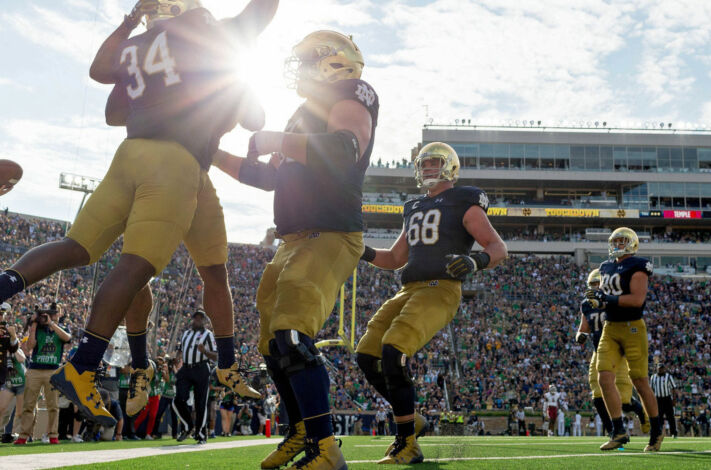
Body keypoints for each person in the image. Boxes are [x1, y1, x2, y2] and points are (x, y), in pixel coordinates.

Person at [0, 0, 276, 428]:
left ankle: (4, 286)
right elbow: (259, 30)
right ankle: (84, 363)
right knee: (137, 265)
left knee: (78, 247)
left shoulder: (139, 43)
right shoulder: (201, 32)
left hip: (132, 152)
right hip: (176, 162)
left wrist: (154, 81)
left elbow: (109, 101)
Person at [212, 30, 379, 470]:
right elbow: (267, 177)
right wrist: (210, 153)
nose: (298, 69)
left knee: (292, 334)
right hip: (293, 238)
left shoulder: (350, 95)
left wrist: (274, 139)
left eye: (306, 60)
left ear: (334, 63)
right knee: (273, 343)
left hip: (330, 231)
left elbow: (345, 148)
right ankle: (302, 430)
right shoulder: (301, 116)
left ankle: (326, 449)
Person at [356, 142, 507, 464]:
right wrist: (360, 250)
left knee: (393, 351)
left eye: (434, 162)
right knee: (367, 355)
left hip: (440, 288)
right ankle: (413, 418)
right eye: (423, 163)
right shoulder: (412, 207)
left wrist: (476, 261)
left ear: (450, 166)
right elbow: (394, 258)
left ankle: (407, 443)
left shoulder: (463, 199)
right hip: (408, 289)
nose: (426, 168)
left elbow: (497, 247)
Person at [586, 227, 663, 451]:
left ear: (631, 243)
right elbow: (603, 300)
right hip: (610, 327)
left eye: (622, 241)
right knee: (604, 378)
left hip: (632, 328)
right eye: (615, 241)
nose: (617, 244)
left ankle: (656, 430)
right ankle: (618, 430)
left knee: (640, 381)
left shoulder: (638, 265)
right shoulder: (605, 267)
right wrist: (596, 300)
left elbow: (637, 300)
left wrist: (606, 297)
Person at [577, 269, 649, 437]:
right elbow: (583, 328)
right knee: (597, 394)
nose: (595, 288)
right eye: (592, 285)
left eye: (598, 284)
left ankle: (641, 412)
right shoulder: (586, 305)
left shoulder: (614, 301)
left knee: (623, 400)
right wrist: (580, 335)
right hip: (598, 351)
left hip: (618, 351)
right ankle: (614, 431)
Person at [15, 304, 71, 445]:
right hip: (35, 369)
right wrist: (34, 324)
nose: (50, 315)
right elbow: (29, 346)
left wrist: (51, 323)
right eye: (48, 313)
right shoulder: (39, 328)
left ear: (59, 314)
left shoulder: (62, 329)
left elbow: (67, 338)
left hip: (52, 370)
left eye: (54, 313)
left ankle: (53, 435)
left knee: (53, 405)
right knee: (29, 404)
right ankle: (24, 435)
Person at [172, 309, 216, 444]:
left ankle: (201, 434)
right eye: (195, 318)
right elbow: (180, 349)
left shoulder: (208, 335)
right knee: (177, 400)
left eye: (200, 318)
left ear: (204, 321)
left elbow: (216, 355)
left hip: (201, 368)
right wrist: (177, 358)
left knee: (200, 403)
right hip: (186, 368)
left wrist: (205, 351)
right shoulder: (186, 334)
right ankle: (188, 426)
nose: (197, 321)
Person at [0, 305, 23, 443]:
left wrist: (13, 336)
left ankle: (1, 432)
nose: (1, 318)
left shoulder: (6, 330)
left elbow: (14, 348)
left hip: (2, 372)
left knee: (2, 406)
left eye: (2, 315)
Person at [650, 363, 677, 438]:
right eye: (659, 368)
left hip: (667, 398)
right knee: (659, 417)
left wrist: (674, 399)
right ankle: (659, 432)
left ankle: (673, 433)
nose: (660, 370)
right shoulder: (653, 377)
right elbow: (651, 389)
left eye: (662, 368)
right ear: (657, 369)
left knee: (670, 416)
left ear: (664, 369)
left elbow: (673, 388)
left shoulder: (668, 376)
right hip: (658, 399)